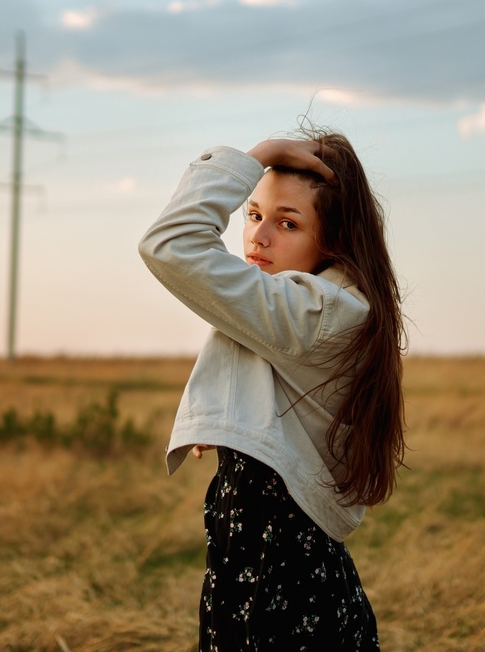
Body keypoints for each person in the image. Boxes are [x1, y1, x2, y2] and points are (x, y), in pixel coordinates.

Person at [138, 129, 405, 650]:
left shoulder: (316, 311)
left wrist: (256, 157)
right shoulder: (326, 303)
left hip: (280, 579)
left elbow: (170, 244)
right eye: (253, 214)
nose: (258, 238)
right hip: (268, 568)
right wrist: (233, 423)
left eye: (287, 223)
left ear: (334, 240)